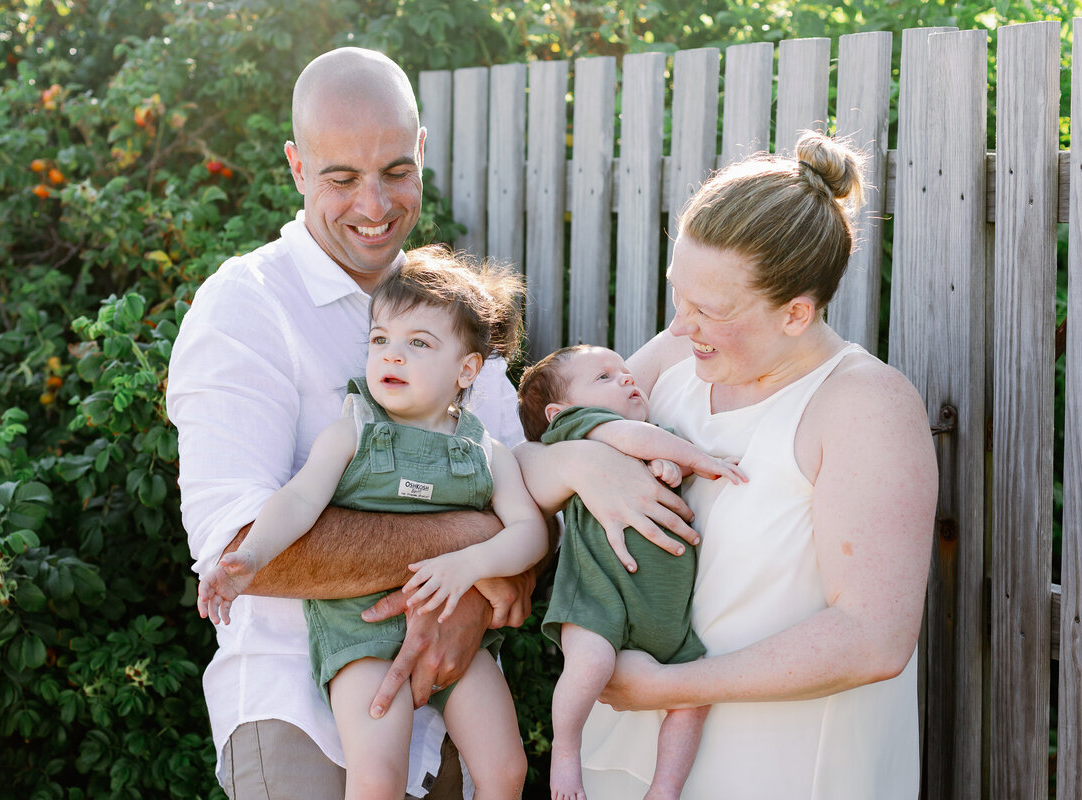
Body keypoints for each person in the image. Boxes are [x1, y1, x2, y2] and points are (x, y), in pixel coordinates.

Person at [514, 130, 937, 799]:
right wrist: (582, 468)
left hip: (779, 770)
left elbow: (872, 638)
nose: (679, 326)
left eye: (706, 310)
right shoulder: (683, 360)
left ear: (797, 313)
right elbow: (529, 464)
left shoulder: (864, 405)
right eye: (677, 294)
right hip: (622, 761)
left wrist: (668, 687)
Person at [166, 47, 534, 800]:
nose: (374, 205)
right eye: (341, 177)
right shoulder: (246, 307)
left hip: (451, 711)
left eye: (397, 170)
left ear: (423, 152)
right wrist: (470, 551)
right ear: (297, 167)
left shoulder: (448, 306)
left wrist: (495, 575)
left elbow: (523, 492)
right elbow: (243, 552)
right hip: (299, 712)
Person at [197, 248, 547, 800]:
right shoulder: (351, 432)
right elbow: (299, 500)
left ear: (467, 369)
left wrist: (470, 564)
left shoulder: (485, 448)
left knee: (506, 770)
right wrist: (251, 557)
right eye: (381, 340)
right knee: (377, 779)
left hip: (455, 629)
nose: (393, 356)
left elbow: (530, 532)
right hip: (359, 632)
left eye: (418, 344)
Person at [516, 344, 746, 800]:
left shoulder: (653, 435)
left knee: (691, 699)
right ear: (560, 411)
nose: (626, 378)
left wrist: (673, 466)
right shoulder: (578, 430)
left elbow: (660, 454)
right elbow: (643, 443)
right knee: (591, 664)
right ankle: (565, 752)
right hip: (599, 599)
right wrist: (702, 459)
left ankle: (665, 787)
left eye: (624, 371)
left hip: (665, 615)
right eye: (604, 377)